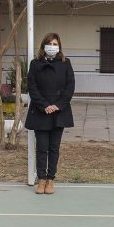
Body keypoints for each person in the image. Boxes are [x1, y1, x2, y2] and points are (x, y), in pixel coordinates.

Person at [26, 33, 75, 195]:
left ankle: (51, 179)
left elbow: (70, 87)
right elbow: (32, 87)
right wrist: (44, 105)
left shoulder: (66, 63)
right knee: (42, 147)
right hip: (41, 112)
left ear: (59, 46)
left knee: (54, 148)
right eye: (49, 43)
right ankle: (41, 179)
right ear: (43, 46)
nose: (52, 46)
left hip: (59, 112)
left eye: (55, 44)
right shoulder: (35, 64)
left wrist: (57, 105)